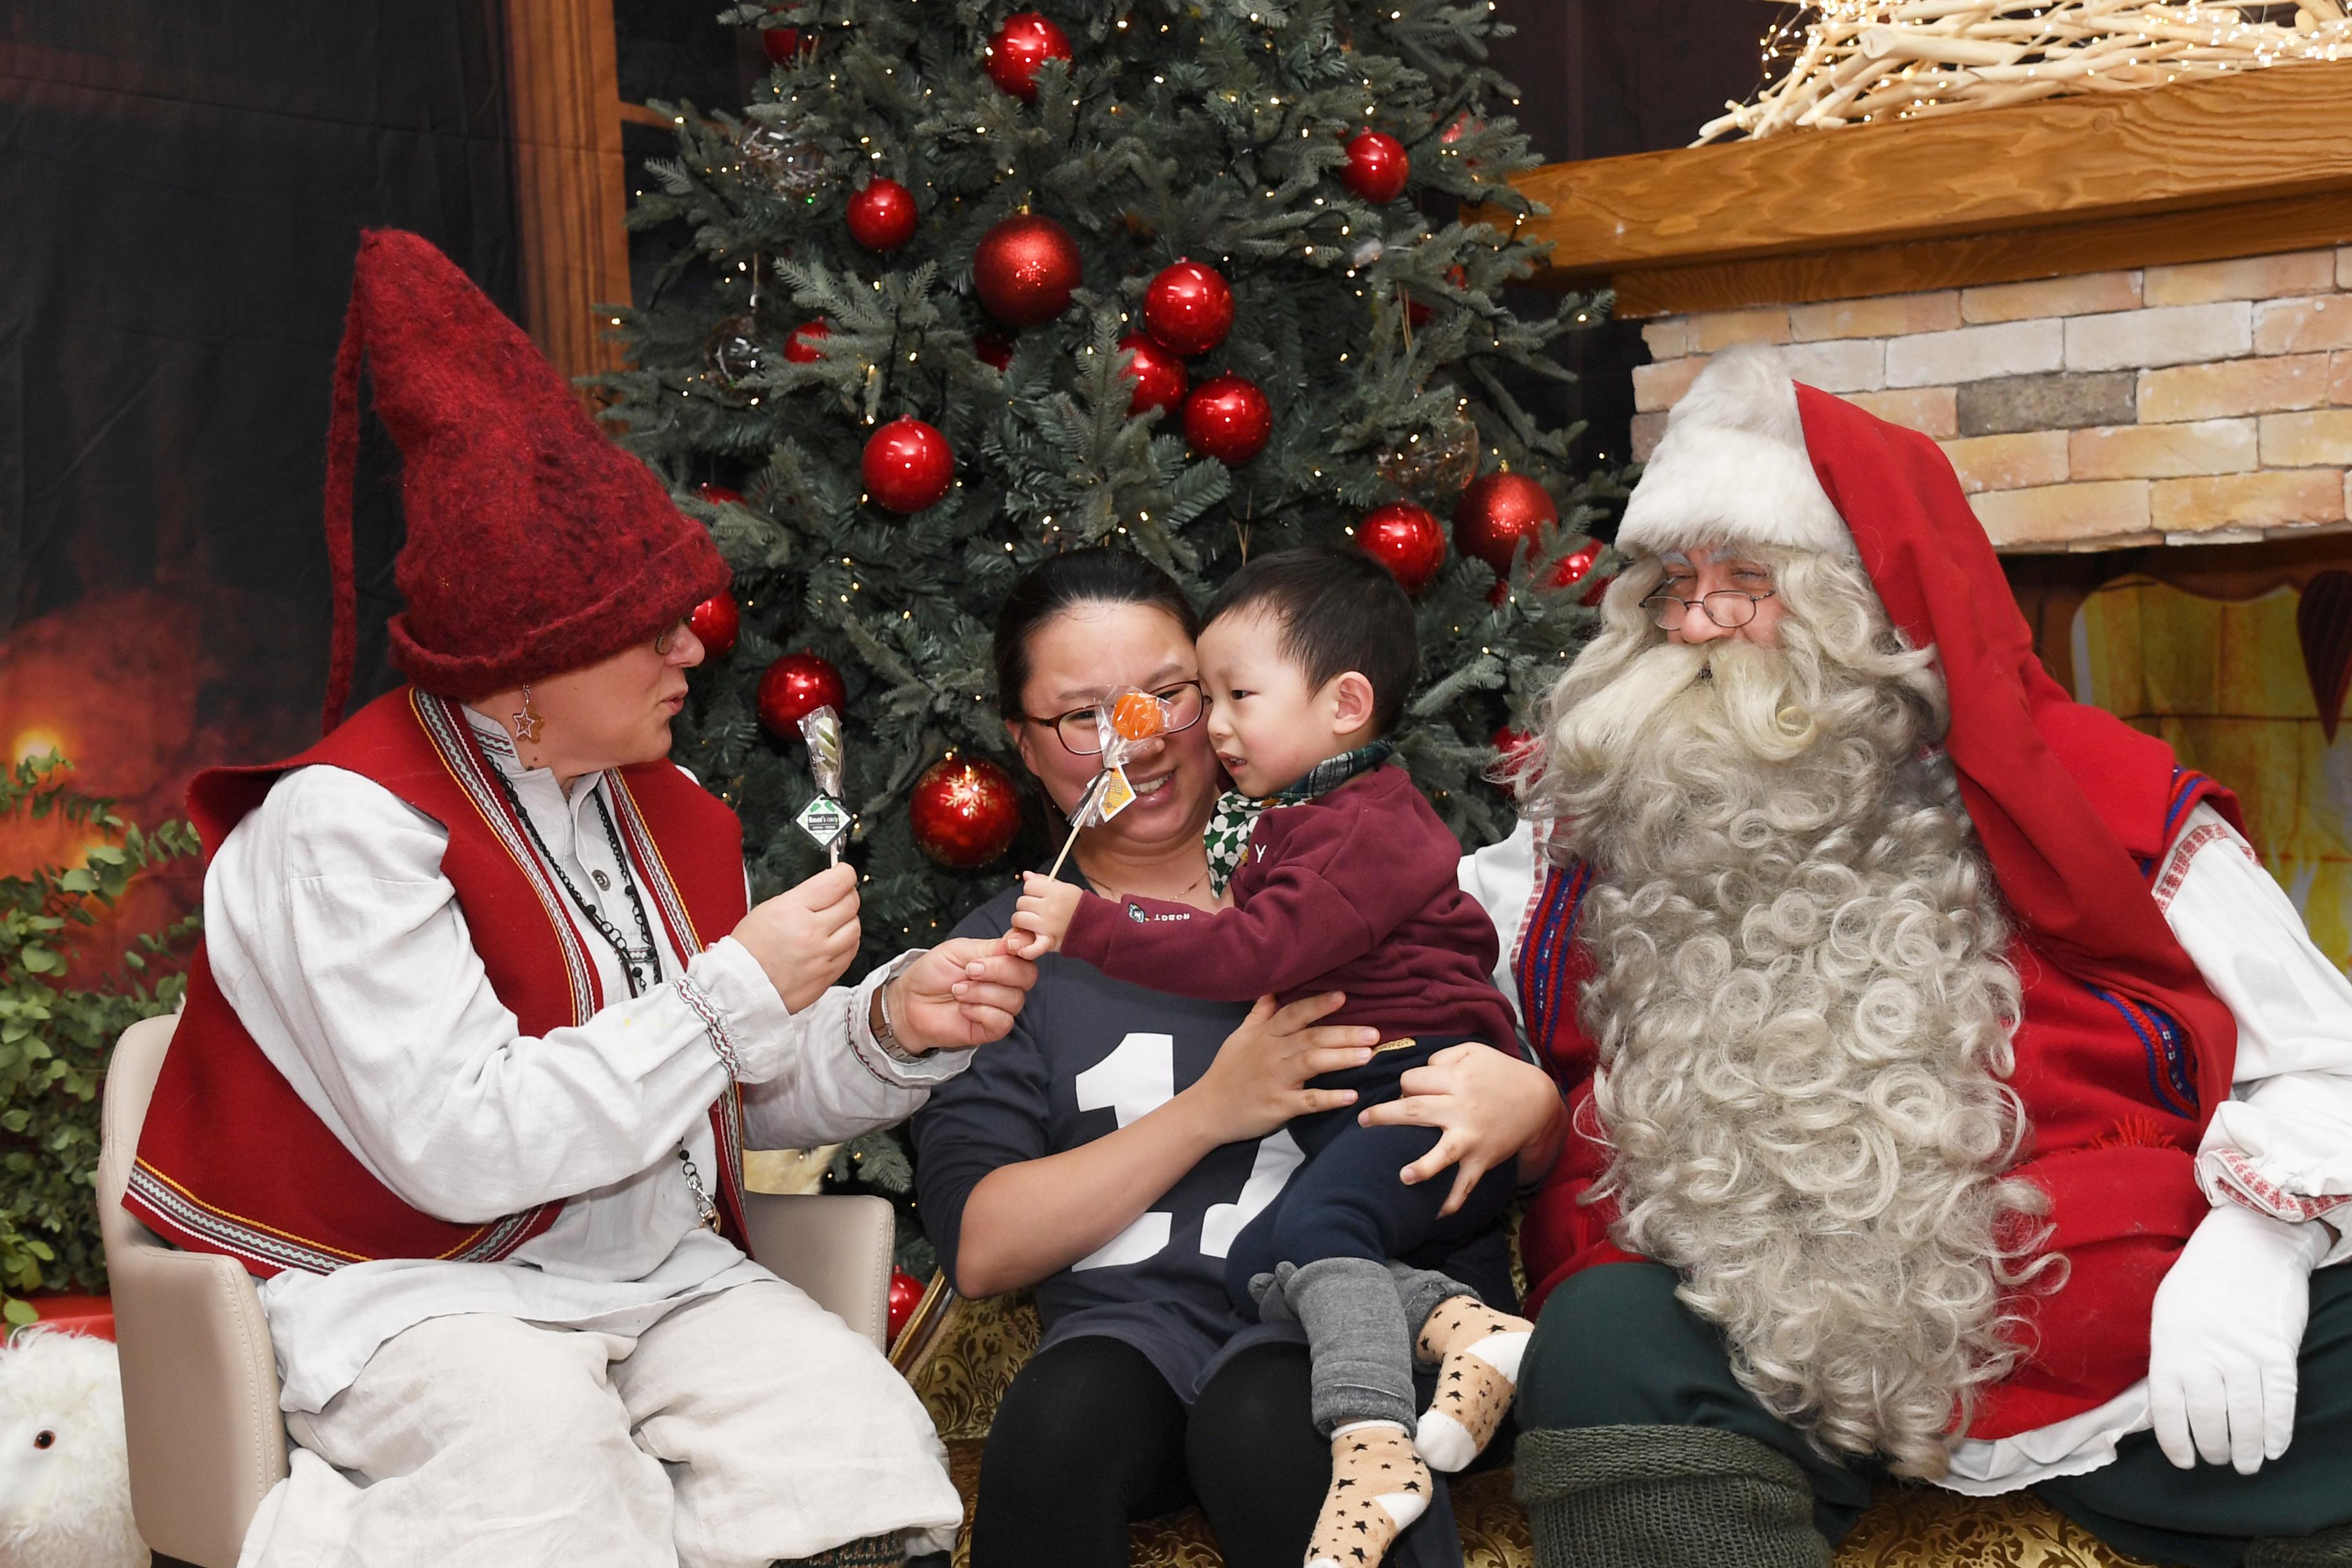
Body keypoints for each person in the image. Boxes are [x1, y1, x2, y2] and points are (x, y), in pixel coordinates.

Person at [125, 230, 1037, 1568]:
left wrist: (890, 1023)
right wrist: (734, 989)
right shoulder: (344, 830)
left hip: (656, 1278)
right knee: (541, 1473)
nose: (692, 646)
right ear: (529, 663)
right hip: (405, 1295)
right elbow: (459, 1143)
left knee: (856, 1448)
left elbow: (733, 1089)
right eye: (650, 624)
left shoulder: (668, 811)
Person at [1469, 346, 2352, 1568]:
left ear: (1863, 602)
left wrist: (2262, 1244)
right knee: (1605, 1339)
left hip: (2088, 1310)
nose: (1697, 624)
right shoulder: (1600, 815)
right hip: (1736, 1318)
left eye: (1745, 581)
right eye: (1674, 585)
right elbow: (1436, 989)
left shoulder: (2099, 796)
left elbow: (2327, 1057)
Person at [911, 547, 1567, 1568]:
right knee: (1056, 1427)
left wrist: (1530, 1106)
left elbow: (1506, 1121)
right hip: (1135, 1336)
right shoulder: (1003, 960)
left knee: (1267, 1425)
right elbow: (983, 1248)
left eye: (1170, 695)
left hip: (1351, 1327)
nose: (1142, 738)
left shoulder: (1355, 879)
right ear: (1025, 747)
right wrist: (1214, 1109)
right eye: (1086, 716)